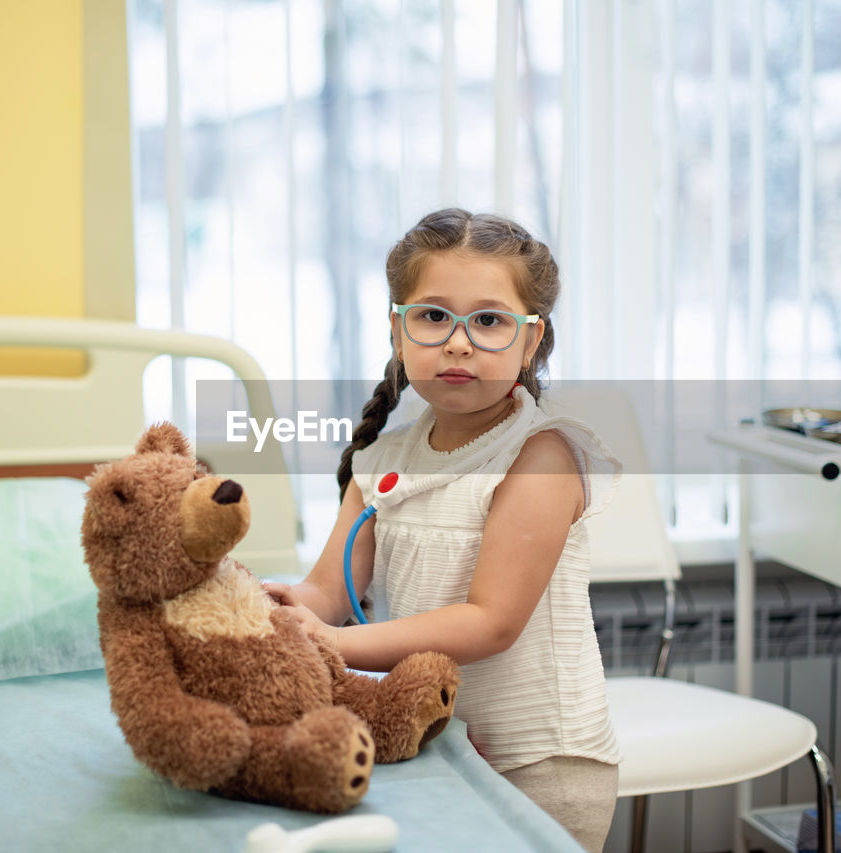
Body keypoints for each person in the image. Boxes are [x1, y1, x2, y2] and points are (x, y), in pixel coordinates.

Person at [264, 208, 622, 850]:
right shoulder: (380, 460)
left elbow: (491, 621)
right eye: (433, 316)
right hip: (437, 748)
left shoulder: (541, 454)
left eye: (489, 321)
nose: (459, 342)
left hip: (536, 768)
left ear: (530, 340)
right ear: (398, 330)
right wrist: (287, 608)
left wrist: (327, 644)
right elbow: (330, 591)